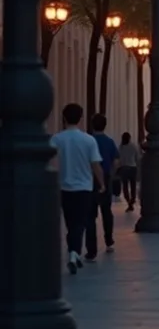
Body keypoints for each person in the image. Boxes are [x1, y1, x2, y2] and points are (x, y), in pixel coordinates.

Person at [52, 103, 104, 275]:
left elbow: (50, 161)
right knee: (80, 223)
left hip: (64, 187)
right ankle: (74, 253)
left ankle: (73, 253)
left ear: (64, 118)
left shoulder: (57, 139)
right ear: (81, 119)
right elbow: (95, 165)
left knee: (69, 222)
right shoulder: (89, 140)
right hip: (84, 189)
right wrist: (101, 183)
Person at [85, 113, 119, 258]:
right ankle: (109, 241)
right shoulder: (109, 142)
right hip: (105, 177)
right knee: (106, 212)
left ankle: (91, 249)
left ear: (92, 125)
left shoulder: (88, 141)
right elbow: (117, 161)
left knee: (90, 215)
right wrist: (111, 172)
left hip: (90, 179)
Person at [118, 130, 140, 211]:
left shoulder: (121, 147)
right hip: (133, 168)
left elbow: (119, 158)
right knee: (133, 186)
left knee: (125, 187)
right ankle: (132, 200)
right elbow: (137, 158)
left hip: (124, 168)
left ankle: (129, 202)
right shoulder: (134, 146)